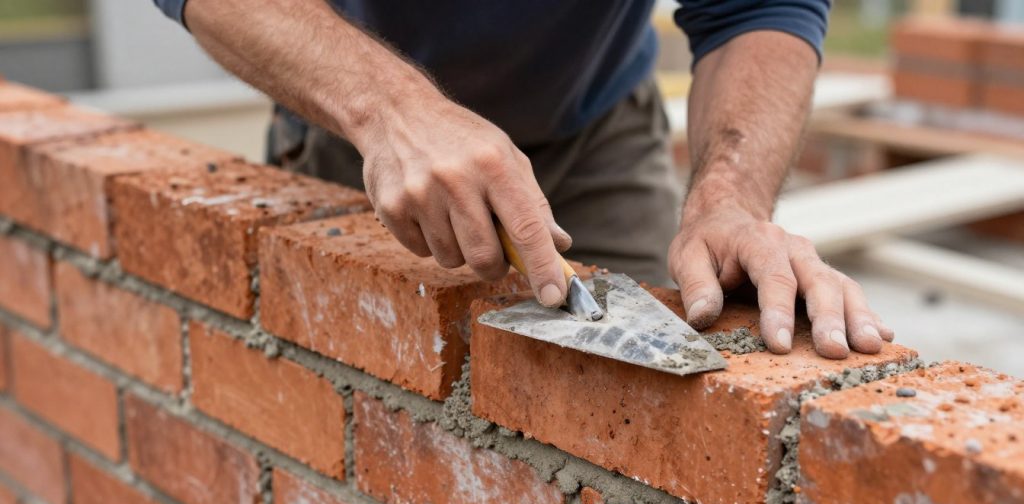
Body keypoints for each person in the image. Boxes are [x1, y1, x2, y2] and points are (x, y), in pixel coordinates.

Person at [153, 0, 894, 359]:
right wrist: (389, 109)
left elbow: (756, 9)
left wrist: (728, 197)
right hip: (359, 125)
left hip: (592, 124)